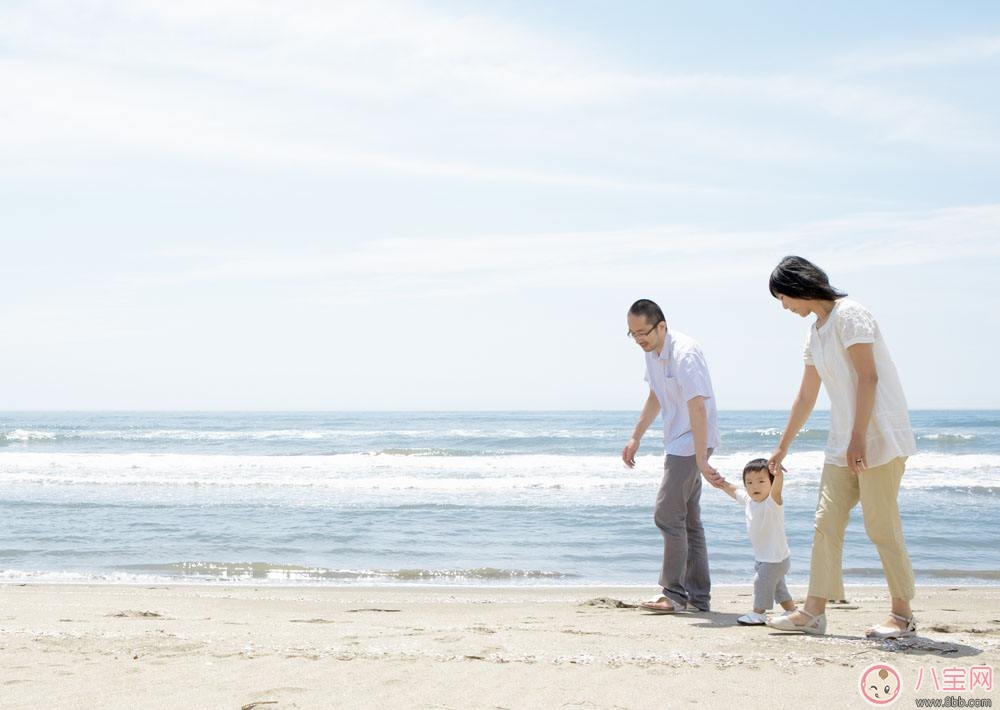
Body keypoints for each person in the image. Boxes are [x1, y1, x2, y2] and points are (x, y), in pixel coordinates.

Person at [764, 256, 917, 638]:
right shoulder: (815, 331)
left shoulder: (851, 315)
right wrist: (783, 447)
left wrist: (859, 437)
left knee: (881, 526)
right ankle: (813, 612)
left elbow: (869, 377)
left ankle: (902, 615)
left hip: (878, 437)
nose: (784, 307)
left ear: (799, 287)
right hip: (843, 442)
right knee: (825, 523)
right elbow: (806, 395)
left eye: (783, 298)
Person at [622, 298, 723, 613]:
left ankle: (674, 594)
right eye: (633, 334)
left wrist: (702, 457)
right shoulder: (653, 353)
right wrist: (635, 436)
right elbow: (655, 395)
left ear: (661, 326)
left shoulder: (685, 353)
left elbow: (697, 405)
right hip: (680, 441)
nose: (639, 339)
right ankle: (698, 597)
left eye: (643, 333)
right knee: (689, 521)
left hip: (691, 441)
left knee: (666, 514)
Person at [716, 458, 797, 625]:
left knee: (761, 582)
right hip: (767, 557)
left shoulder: (772, 503)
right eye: (750, 482)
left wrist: (778, 475)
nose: (755, 486)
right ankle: (791, 610)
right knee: (777, 587)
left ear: (771, 482)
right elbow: (734, 491)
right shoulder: (749, 501)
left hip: (774, 559)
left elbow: (777, 489)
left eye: (761, 481)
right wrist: (721, 482)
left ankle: (758, 613)